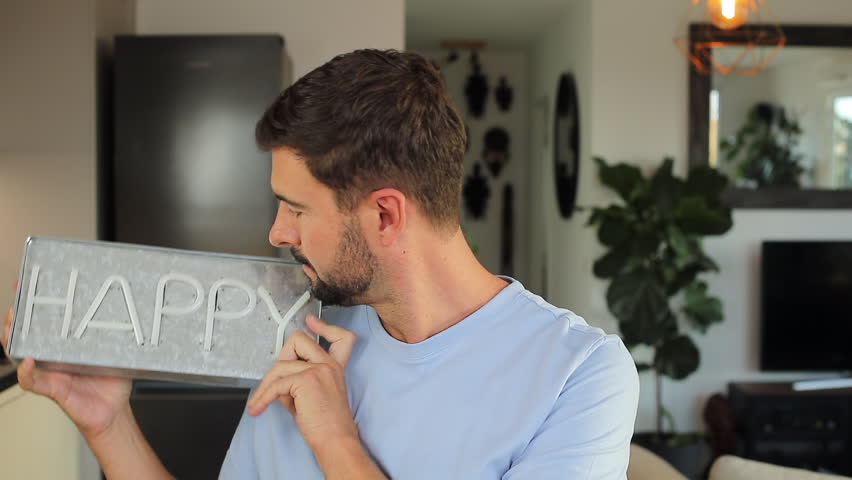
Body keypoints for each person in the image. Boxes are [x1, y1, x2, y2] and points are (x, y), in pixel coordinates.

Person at [3, 49, 639, 479]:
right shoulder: (295, 329)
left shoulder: (579, 375)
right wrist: (110, 425)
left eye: (296, 208)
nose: (277, 231)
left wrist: (337, 443)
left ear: (385, 215)